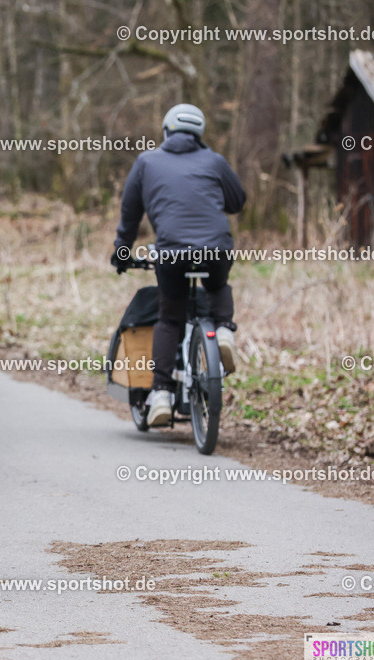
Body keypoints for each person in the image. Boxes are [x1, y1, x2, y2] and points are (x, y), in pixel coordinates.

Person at [112, 103, 246, 428]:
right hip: (216, 247)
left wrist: (122, 251)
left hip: (171, 252)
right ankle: (224, 332)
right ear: (199, 134)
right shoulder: (214, 160)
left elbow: (130, 214)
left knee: (170, 316)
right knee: (216, 285)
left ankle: (159, 393)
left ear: (167, 130)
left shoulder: (147, 161)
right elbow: (237, 201)